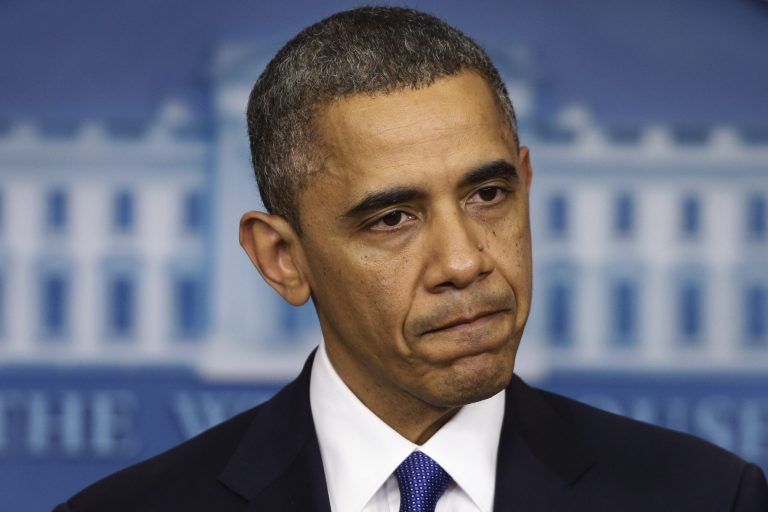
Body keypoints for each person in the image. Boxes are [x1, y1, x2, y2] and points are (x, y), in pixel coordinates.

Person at [54, 6, 767, 512]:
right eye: (391, 218)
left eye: (489, 194)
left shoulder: (708, 496)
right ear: (282, 259)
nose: (463, 262)